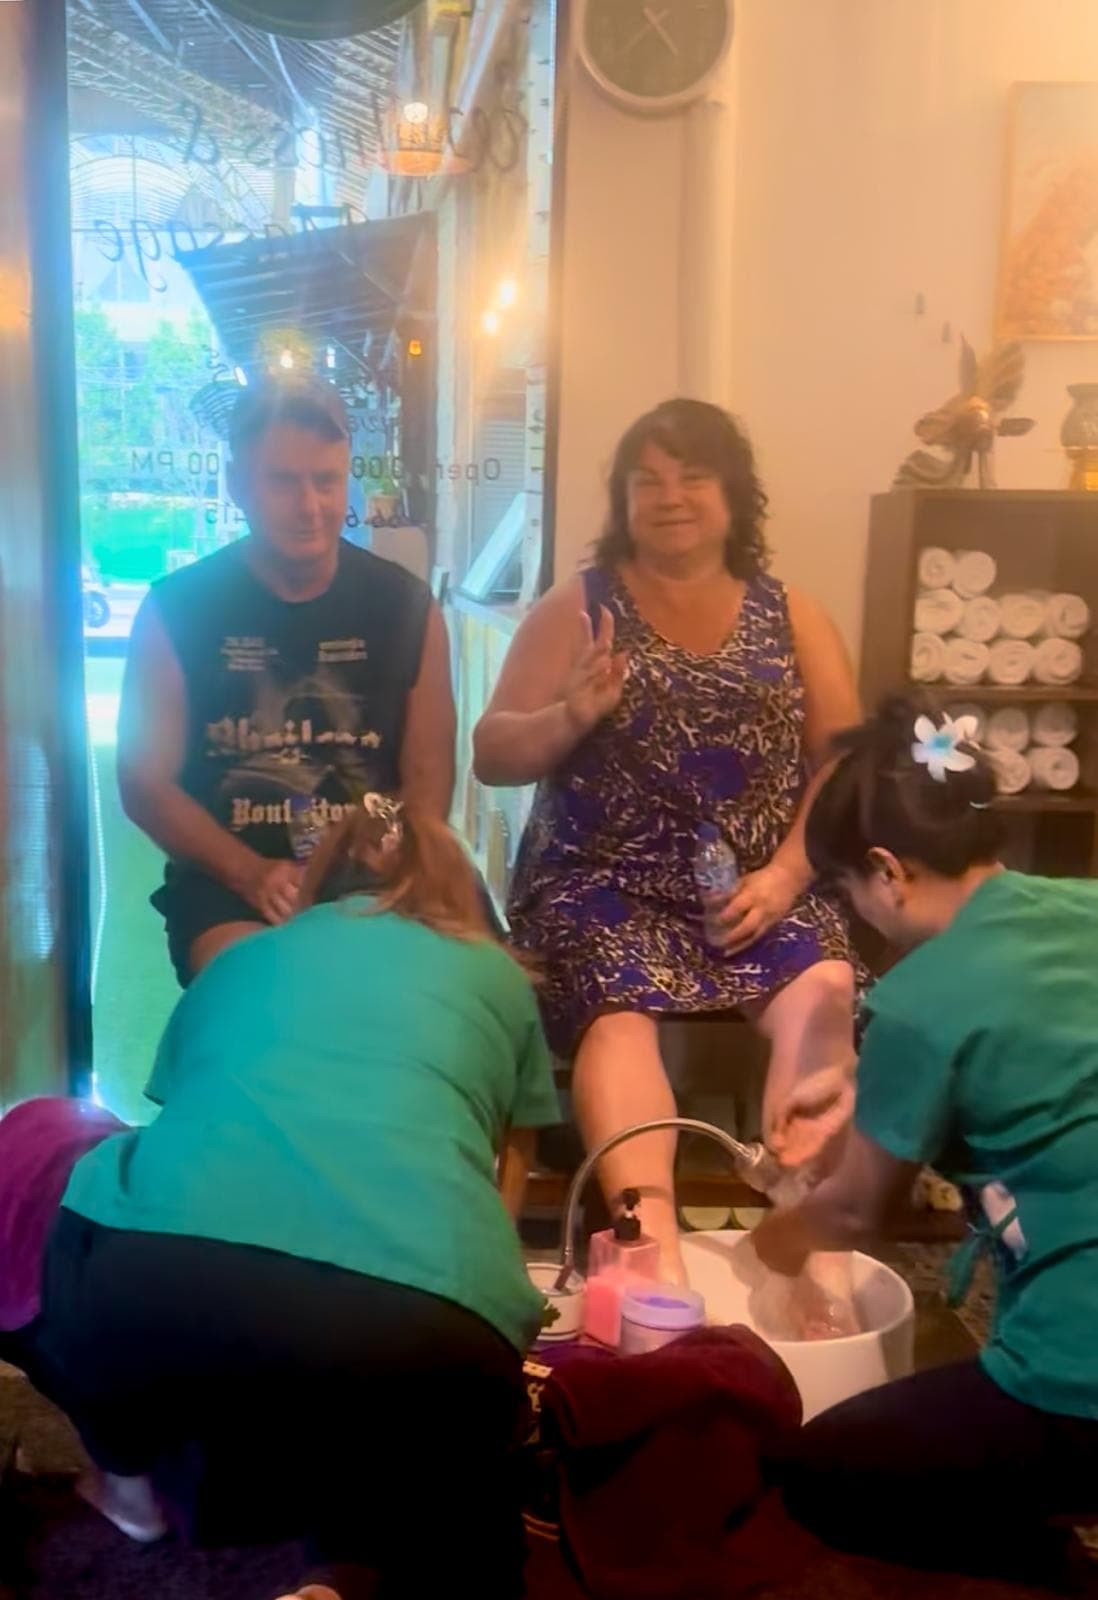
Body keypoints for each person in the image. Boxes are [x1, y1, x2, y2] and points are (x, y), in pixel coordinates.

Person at [0, 799, 559, 1600]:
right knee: (444, 1500)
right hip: (426, 1328)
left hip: (148, 1288)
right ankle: (349, 1565)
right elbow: (509, 1178)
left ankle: (128, 1478)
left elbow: (184, 1123)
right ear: (467, 897)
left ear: (318, 885)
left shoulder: (241, 959)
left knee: (124, 1247)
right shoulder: (494, 972)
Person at [474, 399, 860, 1278]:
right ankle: (653, 1252)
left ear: (734, 495)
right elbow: (492, 754)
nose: (669, 496)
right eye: (646, 480)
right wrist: (570, 713)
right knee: (616, 1006)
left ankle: (812, 1229)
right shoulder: (577, 607)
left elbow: (844, 763)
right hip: (597, 880)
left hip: (758, 885)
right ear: (621, 499)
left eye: (692, 475)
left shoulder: (792, 613)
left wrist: (791, 872)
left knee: (825, 980)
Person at [753, 695, 1098, 1581]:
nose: (861, 915)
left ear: (884, 871)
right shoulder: (1079, 905)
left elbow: (859, 1211)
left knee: (817, 1474)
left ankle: (1046, 1561)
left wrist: (775, 1241)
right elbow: (1031, 1034)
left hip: (1080, 1373)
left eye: (848, 894)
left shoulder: (918, 995)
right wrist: (863, 1081)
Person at [118, 375, 456, 986]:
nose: (311, 506)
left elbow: (429, 781)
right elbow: (144, 784)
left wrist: (378, 865)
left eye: (326, 481)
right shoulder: (177, 608)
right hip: (230, 886)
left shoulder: (406, 607)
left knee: (444, 998)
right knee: (267, 993)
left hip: (375, 880)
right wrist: (250, 873)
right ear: (238, 486)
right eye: (283, 482)